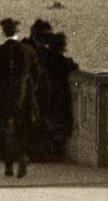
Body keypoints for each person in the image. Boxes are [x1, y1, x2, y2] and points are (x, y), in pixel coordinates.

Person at [0, 17, 40, 179]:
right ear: (17, 31)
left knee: (5, 130)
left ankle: (9, 166)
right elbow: (36, 74)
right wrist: (31, 90)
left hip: (3, 95)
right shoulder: (28, 50)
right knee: (21, 129)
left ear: (4, 32)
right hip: (24, 95)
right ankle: (21, 158)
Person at [28, 20, 78, 161]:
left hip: (45, 94)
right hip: (56, 96)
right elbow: (71, 67)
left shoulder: (41, 55)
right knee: (53, 123)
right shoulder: (59, 60)